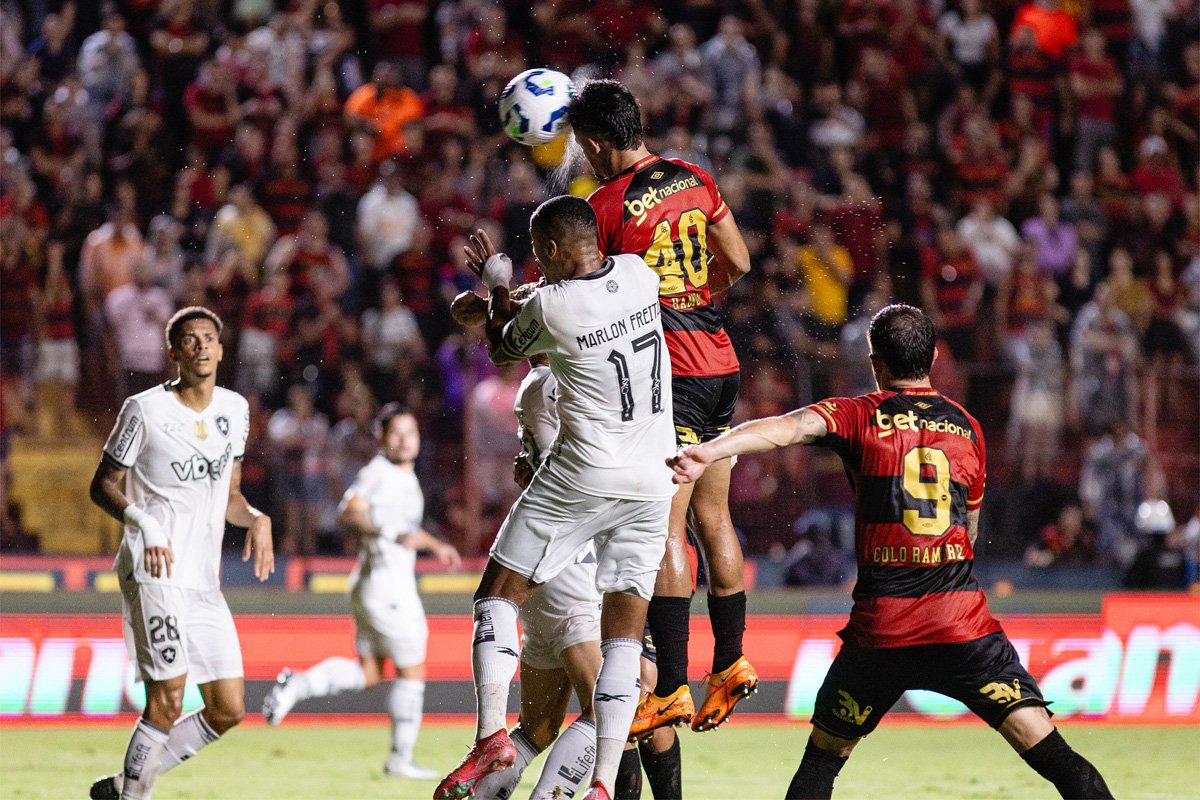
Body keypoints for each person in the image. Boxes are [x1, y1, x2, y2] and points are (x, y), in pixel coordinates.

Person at [667, 304, 1113, 800]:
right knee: (1054, 756)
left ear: (875, 363)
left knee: (822, 760)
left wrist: (710, 449)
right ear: (934, 357)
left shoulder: (859, 416)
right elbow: (969, 528)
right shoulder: (968, 428)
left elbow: (785, 428)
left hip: (882, 633)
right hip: (961, 628)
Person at [434, 196, 675, 800]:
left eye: (542, 254)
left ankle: (491, 737)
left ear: (549, 252)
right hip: (653, 478)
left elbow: (503, 343)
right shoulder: (639, 275)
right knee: (625, 642)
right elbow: (574, 304)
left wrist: (497, 288)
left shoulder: (549, 311)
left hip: (585, 479)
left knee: (496, 594)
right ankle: (600, 784)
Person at [568, 77, 758, 739]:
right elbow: (738, 260)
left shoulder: (604, 207)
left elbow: (590, 305)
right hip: (722, 362)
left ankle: (673, 684)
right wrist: (694, 297)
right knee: (715, 519)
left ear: (596, 141)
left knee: (665, 534)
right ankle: (730, 661)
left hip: (671, 378)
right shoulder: (693, 176)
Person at [87, 306, 275, 800]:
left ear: (220, 347)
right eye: (189, 340)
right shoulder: (144, 409)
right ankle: (134, 795)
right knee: (167, 700)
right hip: (153, 570)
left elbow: (230, 495)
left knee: (228, 708)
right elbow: (102, 484)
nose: (200, 347)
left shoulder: (235, 410)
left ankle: (122, 784)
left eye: (208, 338)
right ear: (172, 352)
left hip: (202, 580)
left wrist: (257, 517)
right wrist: (144, 524)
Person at [261, 402, 460, 779]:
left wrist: (434, 545)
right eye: (396, 433)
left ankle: (297, 685)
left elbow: (402, 529)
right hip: (387, 586)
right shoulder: (378, 472)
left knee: (369, 671)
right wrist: (386, 530)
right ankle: (400, 758)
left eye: (410, 433)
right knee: (412, 668)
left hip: (374, 582)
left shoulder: (405, 477)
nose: (404, 441)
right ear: (381, 439)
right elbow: (349, 512)